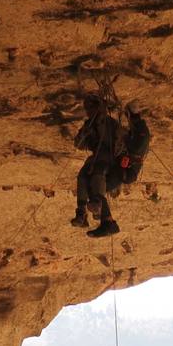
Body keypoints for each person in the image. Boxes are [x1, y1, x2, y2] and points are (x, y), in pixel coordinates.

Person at [71, 94, 120, 238]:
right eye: (88, 110)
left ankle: (99, 209)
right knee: (82, 177)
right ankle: (81, 213)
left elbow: (119, 142)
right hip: (96, 157)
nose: (89, 112)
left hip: (109, 158)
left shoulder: (110, 124)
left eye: (91, 109)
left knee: (97, 175)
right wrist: (83, 135)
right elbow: (79, 145)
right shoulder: (88, 125)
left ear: (99, 109)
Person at [108, 99, 151, 195]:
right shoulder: (126, 178)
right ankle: (127, 111)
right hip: (136, 148)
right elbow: (127, 143)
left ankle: (129, 110)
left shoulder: (128, 177)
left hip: (139, 148)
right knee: (119, 133)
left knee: (130, 129)